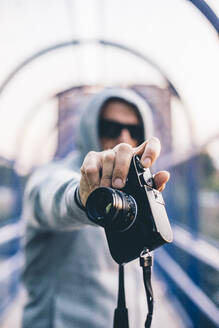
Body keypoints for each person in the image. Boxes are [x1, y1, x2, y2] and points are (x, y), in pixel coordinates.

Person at [21, 87, 169, 328]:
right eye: (110, 128)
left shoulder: (135, 193)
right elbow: (52, 197)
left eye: (134, 130)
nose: (123, 138)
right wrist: (85, 198)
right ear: (89, 128)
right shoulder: (50, 176)